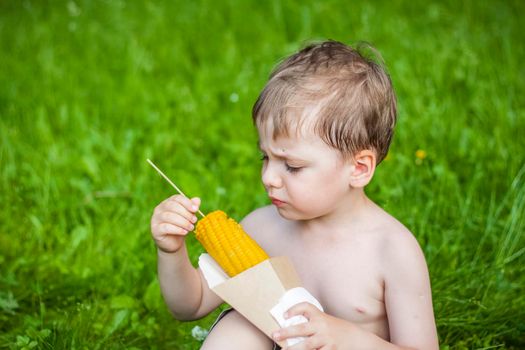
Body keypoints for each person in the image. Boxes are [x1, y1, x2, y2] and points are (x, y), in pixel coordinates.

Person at [150, 40, 439, 349]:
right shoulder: (262, 229)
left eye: (292, 165)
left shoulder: (392, 251)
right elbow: (190, 306)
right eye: (266, 158)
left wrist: (347, 337)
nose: (269, 177)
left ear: (358, 168)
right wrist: (171, 251)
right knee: (238, 327)